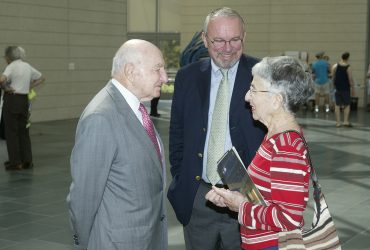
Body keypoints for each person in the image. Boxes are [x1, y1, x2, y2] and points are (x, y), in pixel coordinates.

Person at [168, 7, 265, 250]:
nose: (227, 47)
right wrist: (181, 177)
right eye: (219, 40)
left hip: (247, 199)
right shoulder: (187, 77)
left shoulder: (262, 74)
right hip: (198, 197)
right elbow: (177, 133)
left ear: (244, 37)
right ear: (204, 39)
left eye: (235, 39)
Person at [66, 39, 168, 250]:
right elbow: (83, 198)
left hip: (146, 238)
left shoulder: (135, 108)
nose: (164, 77)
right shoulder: (101, 117)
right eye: (158, 69)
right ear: (130, 71)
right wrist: (85, 244)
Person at [205, 56, 314, 250]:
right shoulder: (274, 135)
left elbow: (289, 218)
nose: (247, 96)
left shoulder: (286, 147)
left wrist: (241, 207)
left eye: (254, 89)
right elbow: (267, 196)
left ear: (276, 99)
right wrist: (233, 197)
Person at [0, 46, 45, 170]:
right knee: (24, 131)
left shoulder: (12, 66)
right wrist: (29, 86)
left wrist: (6, 88)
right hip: (24, 101)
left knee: (11, 132)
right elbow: (41, 77)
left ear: (8, 57)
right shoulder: (27, 66)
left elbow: (1, 79)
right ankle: (27, 161)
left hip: (12, 100)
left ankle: (15, 162)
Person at [331, 52, 355, 127]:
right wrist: (353, 88)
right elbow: (350, 79)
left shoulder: (335, 66)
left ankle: (338, 122)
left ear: (341, 57)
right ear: (348, 58)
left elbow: (333, 77)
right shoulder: (348, 67)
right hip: (345, 88)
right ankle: (345, 121)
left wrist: (333, 86)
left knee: (337, 105)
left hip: (337, 88)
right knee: (347, 105)